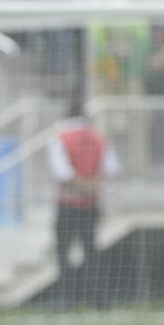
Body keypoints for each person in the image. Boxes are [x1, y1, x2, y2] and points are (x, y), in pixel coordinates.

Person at [47, 93, 119, 309]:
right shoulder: (99, 137)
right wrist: (92, 186)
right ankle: (99, 299)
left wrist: (81, 186)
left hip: (68, 205)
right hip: (92, 204)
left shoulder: (61, 137)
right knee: (92, 251)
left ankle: (65, 298)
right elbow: (111, 169)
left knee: (64, 252)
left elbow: (62, 174)